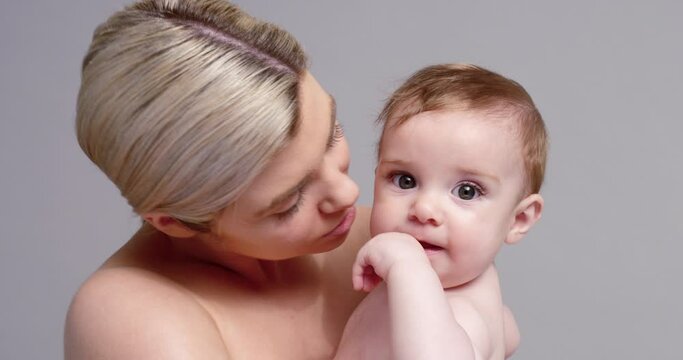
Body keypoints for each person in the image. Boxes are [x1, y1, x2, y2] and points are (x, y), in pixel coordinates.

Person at [64, 0, 372, 358]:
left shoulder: (388, 236)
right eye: (291, 201)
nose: (348, 192)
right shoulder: (127, 317)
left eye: (332, 135)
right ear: (173, 221)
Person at [335, 63, 548, 360]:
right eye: (405, 180)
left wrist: (406, 265)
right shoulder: (477, 302)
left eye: (466, 191)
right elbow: (507, 333)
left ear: (518, 219)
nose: (423, 209)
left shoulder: (456, 311)